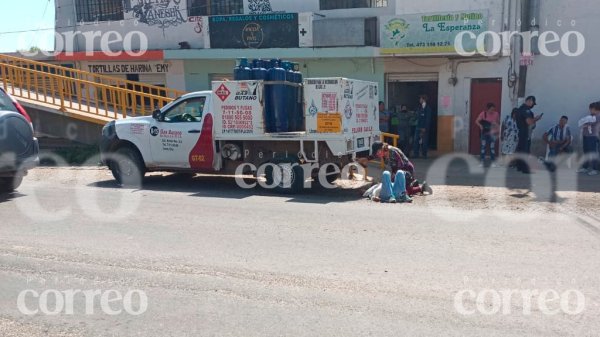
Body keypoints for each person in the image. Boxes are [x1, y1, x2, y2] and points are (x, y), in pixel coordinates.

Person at [515, 96, 543, 173]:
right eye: (532, 103)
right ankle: (525, 169)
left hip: (522, 132)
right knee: (525, 151)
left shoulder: (520, 109)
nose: (532, 105)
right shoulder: (525, 110)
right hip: (525, 132)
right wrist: (536, 119)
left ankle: (519, 167)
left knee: (520, 150)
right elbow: (529, 122)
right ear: (529, 101)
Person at [577, 102, 599, 176]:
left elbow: (587, 123)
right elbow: (582, 123)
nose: (590, 110)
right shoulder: (591, 116)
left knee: (592, 153)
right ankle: (585, 167)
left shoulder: (597, 117)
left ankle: (595, 169)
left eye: (591, 108)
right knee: (586, 152)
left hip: (592, 137)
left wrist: (584, 123)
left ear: (596, 109)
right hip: (586, 136)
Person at [475, 103, 501, 167]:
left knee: (492, 148)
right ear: (488, 109)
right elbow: (477, 121)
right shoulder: (483, 113)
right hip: (484, 133)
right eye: (491, 109)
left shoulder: (496, 114)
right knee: (483, 147)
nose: (492, 111)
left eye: (493, 109)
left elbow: (498, 122)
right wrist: (480, 126)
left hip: (492, 134)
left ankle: (493, 162)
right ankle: (481, 162)